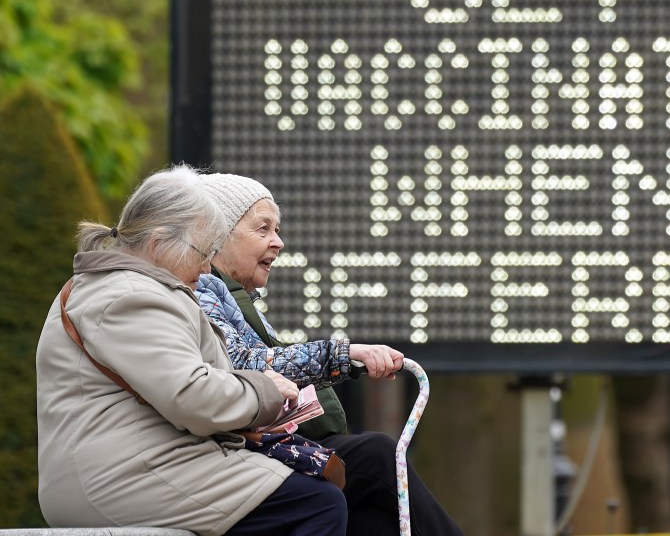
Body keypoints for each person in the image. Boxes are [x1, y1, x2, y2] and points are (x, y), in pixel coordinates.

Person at [36, 164, 347, 536]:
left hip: (132, 467)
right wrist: (265, 390)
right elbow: (193, 396)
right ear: (159, 243)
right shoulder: (131, 297)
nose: (207, 267)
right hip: (122, 478)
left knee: (323, 487)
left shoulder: (124, 289)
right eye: (204, 252)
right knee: (317, 503)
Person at [195, 171, 464, 536]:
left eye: (277, 229)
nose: (279, 242)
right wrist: (344, 354)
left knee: (376, 523)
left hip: (254, 446)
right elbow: (239, 364)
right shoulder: (199, 290)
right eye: (263, 229)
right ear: (217, 233)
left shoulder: (232, 298)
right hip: (238, 453)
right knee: (377, 455)